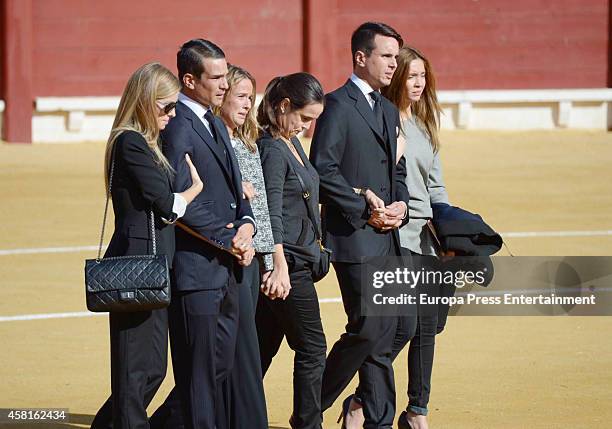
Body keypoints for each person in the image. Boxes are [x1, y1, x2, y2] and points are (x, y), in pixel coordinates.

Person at [309, 22, 416, 429]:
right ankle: (313, 402)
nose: (394, 64)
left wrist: (400, 203)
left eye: (395, 56)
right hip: (352, 236)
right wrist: (363, 206)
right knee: (371, 328)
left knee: (384, 332)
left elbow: (397, 168)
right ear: (361, 57)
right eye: (386, 56)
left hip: (387, 236)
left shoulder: (388, 109)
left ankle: (378, 421)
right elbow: (323, 168)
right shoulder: (337, 104)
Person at [90, 62, 203, 429]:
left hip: (153, 266)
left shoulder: (146, 142)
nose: (172, 114)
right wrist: (192, 192)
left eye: (174, 107)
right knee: (135, 371)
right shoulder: (130, 142)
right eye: (165, 106)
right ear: (143, 101)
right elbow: (166, 204)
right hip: (135, 268)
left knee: (152, 369)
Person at [346, 46, 452, 429]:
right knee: (405, 327)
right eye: (412, 75)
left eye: (423, 75)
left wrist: (450, 230)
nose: (419, 83)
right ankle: (369, 399)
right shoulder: (383, 124)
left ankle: (415, 409)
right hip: (395, 237)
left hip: (427, 239)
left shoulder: (424, 127)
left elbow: (436, 189)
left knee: (430, 328)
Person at [156, 39, 256, 429]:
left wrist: (247, 225)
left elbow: (237, 186)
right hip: (196, 270)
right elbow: (182, 199)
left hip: (226, 266)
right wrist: (228, 239)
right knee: (199, 376)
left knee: (216, 368)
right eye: (215, 77)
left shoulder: (214, 121)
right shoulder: (177, 125)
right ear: (189, 79)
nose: (223, 85)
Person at [255, 72, 327, 429]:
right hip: (288, 267)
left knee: (256, 353)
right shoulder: (271, 147)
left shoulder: (289, 141)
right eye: (304, 117)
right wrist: (277, 264)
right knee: (312, 347)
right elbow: (269, 211)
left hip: (296, 259)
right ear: (284, 106)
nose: (308, 126)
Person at [215, 64, 273, 429]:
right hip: (231, 254)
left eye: (251, 97)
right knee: (235, 352)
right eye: (240, 96)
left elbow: (263, 207)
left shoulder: (247, 138)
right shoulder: (215, 141)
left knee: (241, 351)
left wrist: (268, 257)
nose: (247, 104)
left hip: (253, 256)